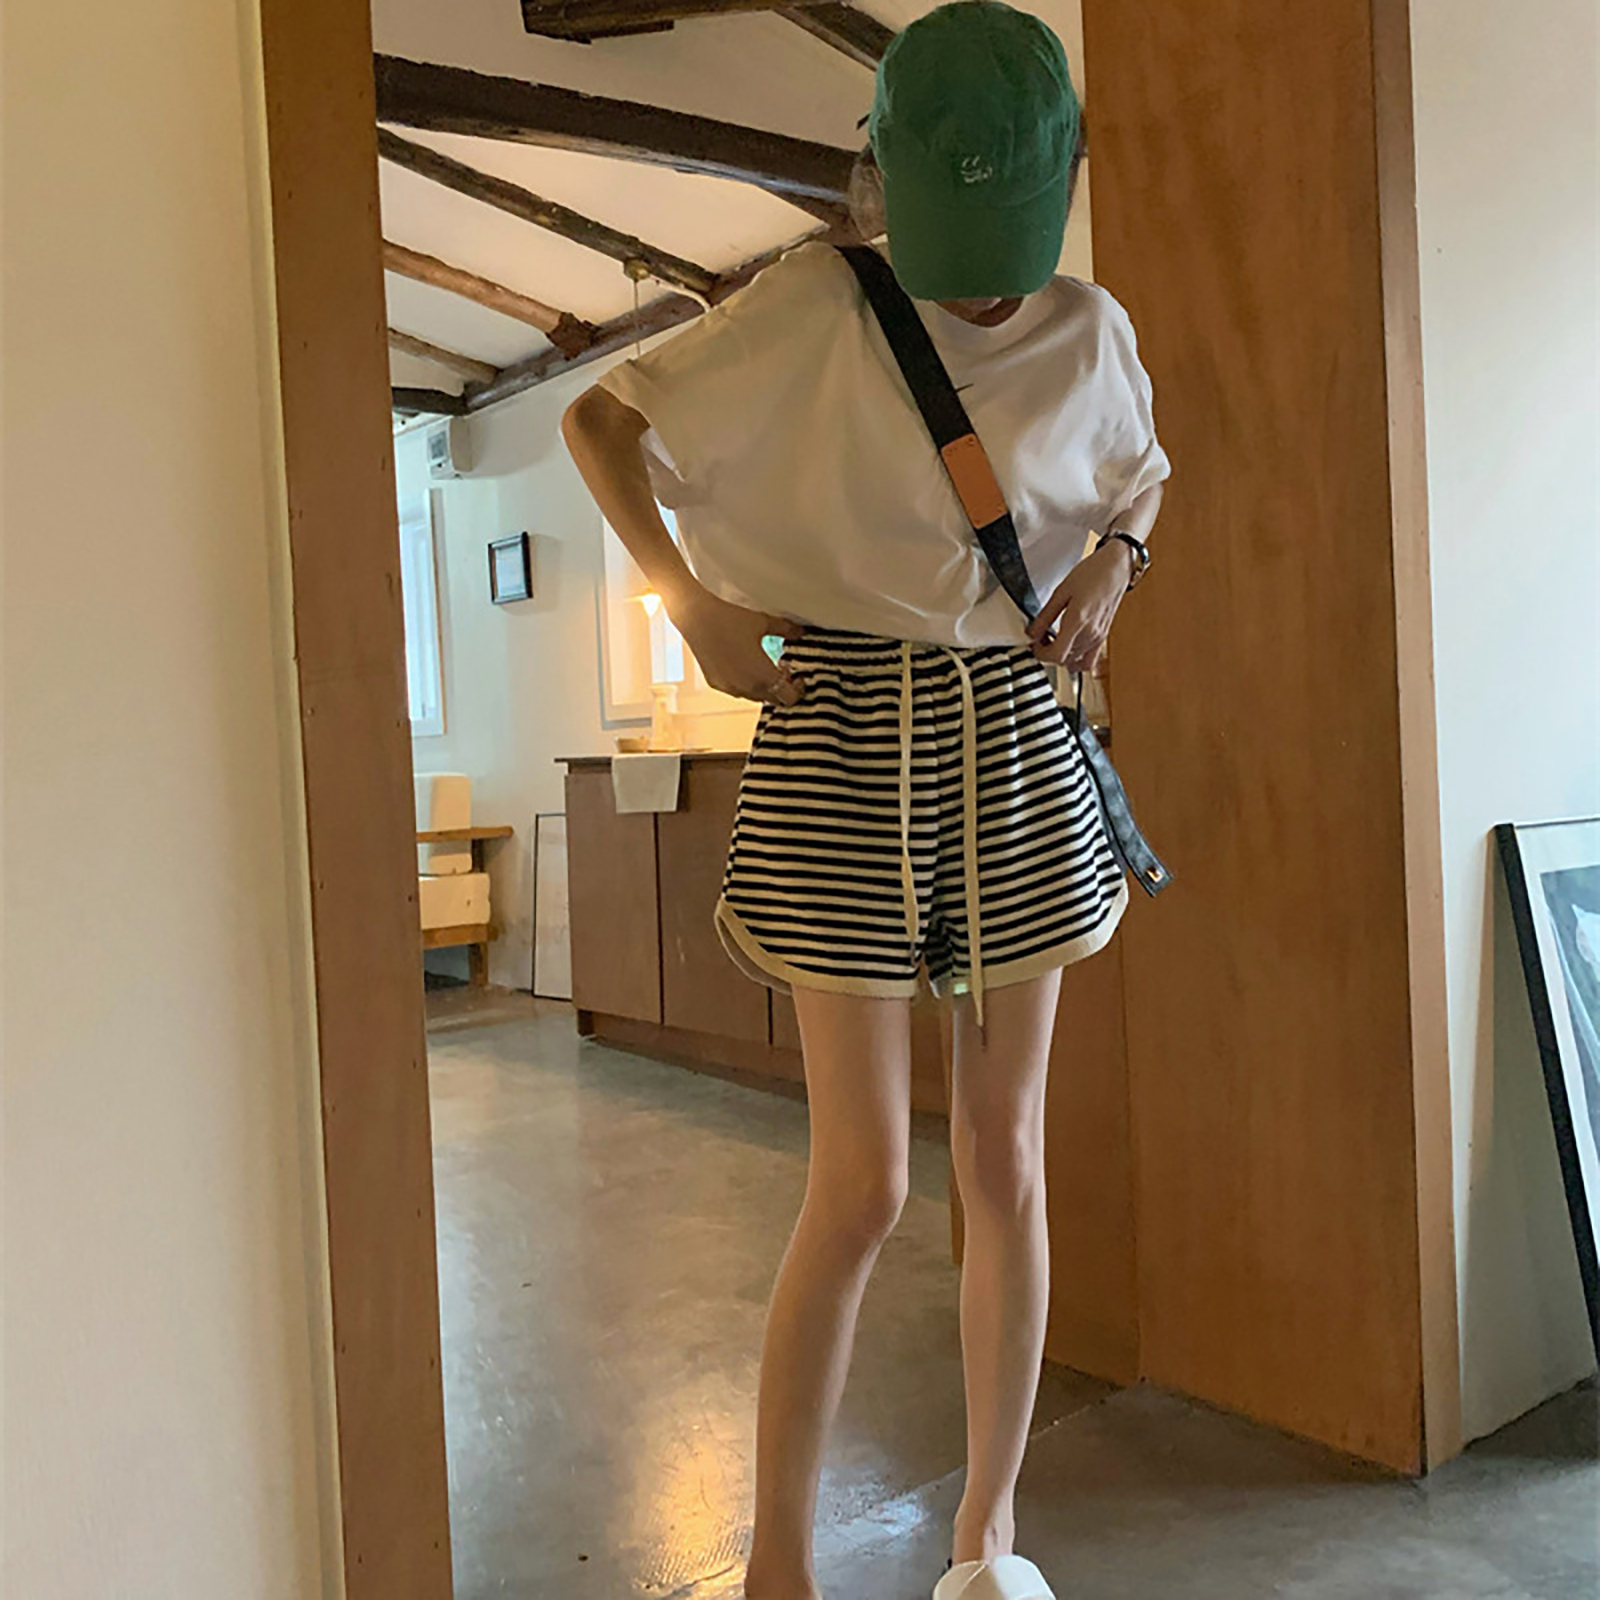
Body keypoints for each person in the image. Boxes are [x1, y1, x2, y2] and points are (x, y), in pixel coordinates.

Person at [563, 6, 1169, 1596]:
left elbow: (1142, 474)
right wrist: (689, 607)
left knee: (1008, 1159)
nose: (987, 290)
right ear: (884, 182)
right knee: (864, 1182)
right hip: (840, 737)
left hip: (1014, 741)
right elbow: (598, 419)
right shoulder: (811, 304)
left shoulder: (1090, 329)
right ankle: (778, 1562)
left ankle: (989, 1539)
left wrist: (1113, 567)